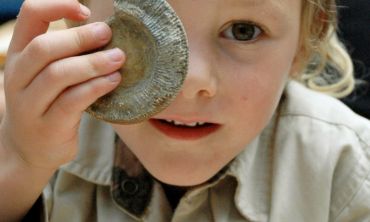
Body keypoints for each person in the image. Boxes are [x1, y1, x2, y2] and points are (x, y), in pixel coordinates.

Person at [0, 0, 369, 221]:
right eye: (144, 29)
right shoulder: (29, 135)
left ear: (305, 40)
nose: (190, 80)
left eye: (243, 31)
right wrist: (21, 163)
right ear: (80, 20)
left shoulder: (351, 172)